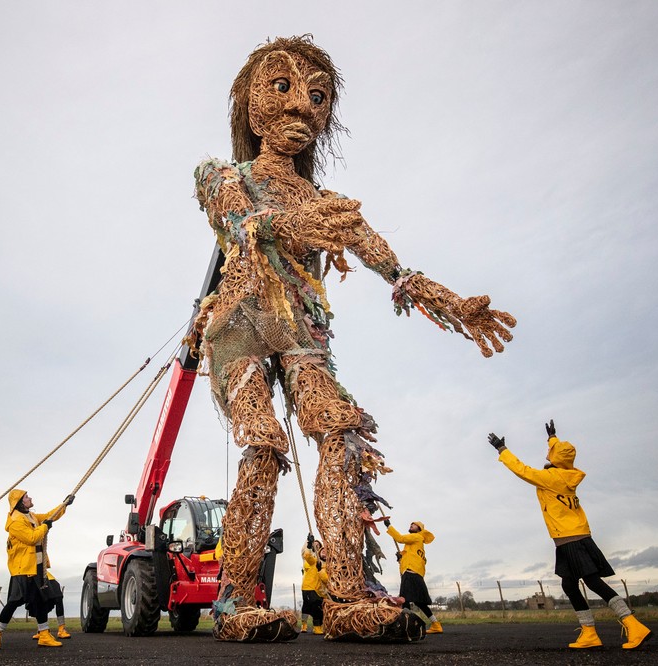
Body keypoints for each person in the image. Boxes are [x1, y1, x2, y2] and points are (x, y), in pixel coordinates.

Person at [192, 34, 515, 642]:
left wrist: (454, 305)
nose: (301, 109)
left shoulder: (328, 202)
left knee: (341, 435)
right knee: (263, 444)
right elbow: (239, 222)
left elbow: (394, 269)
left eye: (316, 96)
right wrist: (292, 223)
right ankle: (234, 599)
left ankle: (345, 597)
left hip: (302, 336)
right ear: (250, 102)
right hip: (240, 327)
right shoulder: (222, 175)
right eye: (283, 88)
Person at [487, 420, 652, 650]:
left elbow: (521, 470)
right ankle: (589, 632)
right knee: (570, 585)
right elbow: (563, 454)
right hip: (574, 536)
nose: (548, 452)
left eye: (550, 451)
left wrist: (502, 450)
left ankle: (632, 624)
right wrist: (552, 436)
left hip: (570, 539)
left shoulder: (551, 478)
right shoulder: (567, 473)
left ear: (555, 458)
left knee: (593, 582)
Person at [0, 489, 73, 649]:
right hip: (23, 569)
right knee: (13, 603)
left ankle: (44, 635)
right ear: (20, 502)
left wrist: (64, 504)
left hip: (35, 568)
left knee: (41, 600)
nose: (30, 498)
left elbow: (50, 515)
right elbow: (31, 538)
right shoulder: (15, 521)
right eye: (27, 497)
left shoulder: (31, 516)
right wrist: (45, 527)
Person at [384, 518, 442, 634]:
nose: (411, 525)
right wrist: (401, 558)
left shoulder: (417, 537)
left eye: (414, 525)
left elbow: (400, 538)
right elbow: (410, 560)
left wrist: (389, 526)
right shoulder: (414, 546)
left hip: (411, 573)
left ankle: (408, 627)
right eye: (411, 524)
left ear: (419, 529)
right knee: (419, 602)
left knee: (404, 599)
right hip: (415, 574)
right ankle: (436, 624)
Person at [29, 569, 70, 640]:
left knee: (58, 598)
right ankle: (42, 630)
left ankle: (61, 629)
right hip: (33, 578)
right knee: (39, 602)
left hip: (49, 578)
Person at [300, 534, 326, 634]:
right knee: (307, 607)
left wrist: (321, 570)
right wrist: (309, 545)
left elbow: (325, 579)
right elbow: (307, 556)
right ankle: (305, 625)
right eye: (315, 545)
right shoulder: (313, 560)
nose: (317, 547)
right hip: (309, 587)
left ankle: (318, 626)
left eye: (318, 545)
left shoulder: (326, 565)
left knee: (318, 608)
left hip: (320, 590)